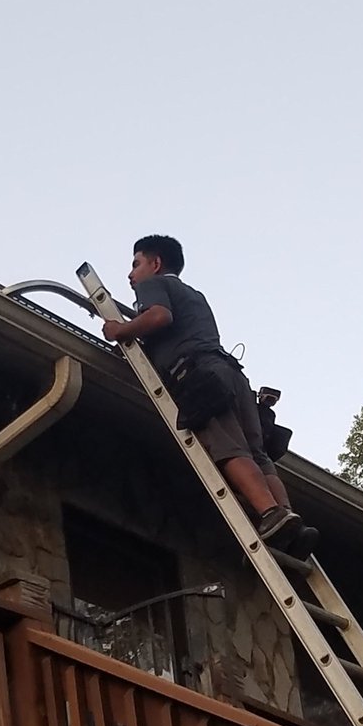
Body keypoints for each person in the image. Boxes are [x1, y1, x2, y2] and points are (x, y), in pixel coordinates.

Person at [100, 235, 318, 557]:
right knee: (258, 454)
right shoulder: (194, 295)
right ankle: (288, 518)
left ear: (156, 264)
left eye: (136, 264)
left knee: (227, 447)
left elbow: (159, 316)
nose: (130, 276)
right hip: (230, 374)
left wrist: (121, 330)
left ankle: (271, 515)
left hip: (198, 375)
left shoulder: (153, 286)